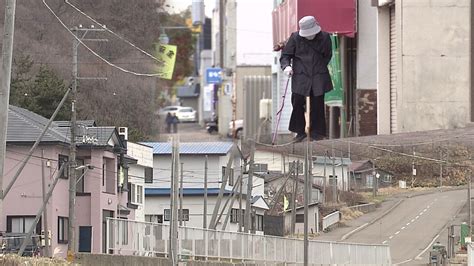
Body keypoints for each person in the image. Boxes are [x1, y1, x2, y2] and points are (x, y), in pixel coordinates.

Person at [280, 16, 333, 142]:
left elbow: (327, 55)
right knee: (297, 102)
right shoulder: (295, 38)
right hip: (300, 75)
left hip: (318, 75)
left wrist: (319, 67)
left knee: (317, 104)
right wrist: (286, 67)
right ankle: (300, 132)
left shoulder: (325, 37)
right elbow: (285, 55)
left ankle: (318, 133)